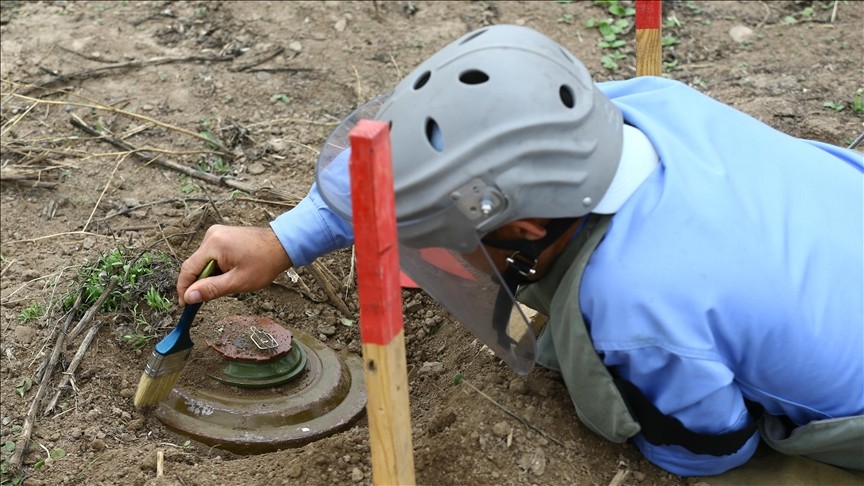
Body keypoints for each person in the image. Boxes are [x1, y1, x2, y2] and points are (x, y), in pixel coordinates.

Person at [176, 25, 863, 477]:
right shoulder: (647, 104)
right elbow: (430, 155)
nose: (435, 245)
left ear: (526, 228)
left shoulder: (632, 305)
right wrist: (284, 239)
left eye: (444, 233)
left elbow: (711, 448)